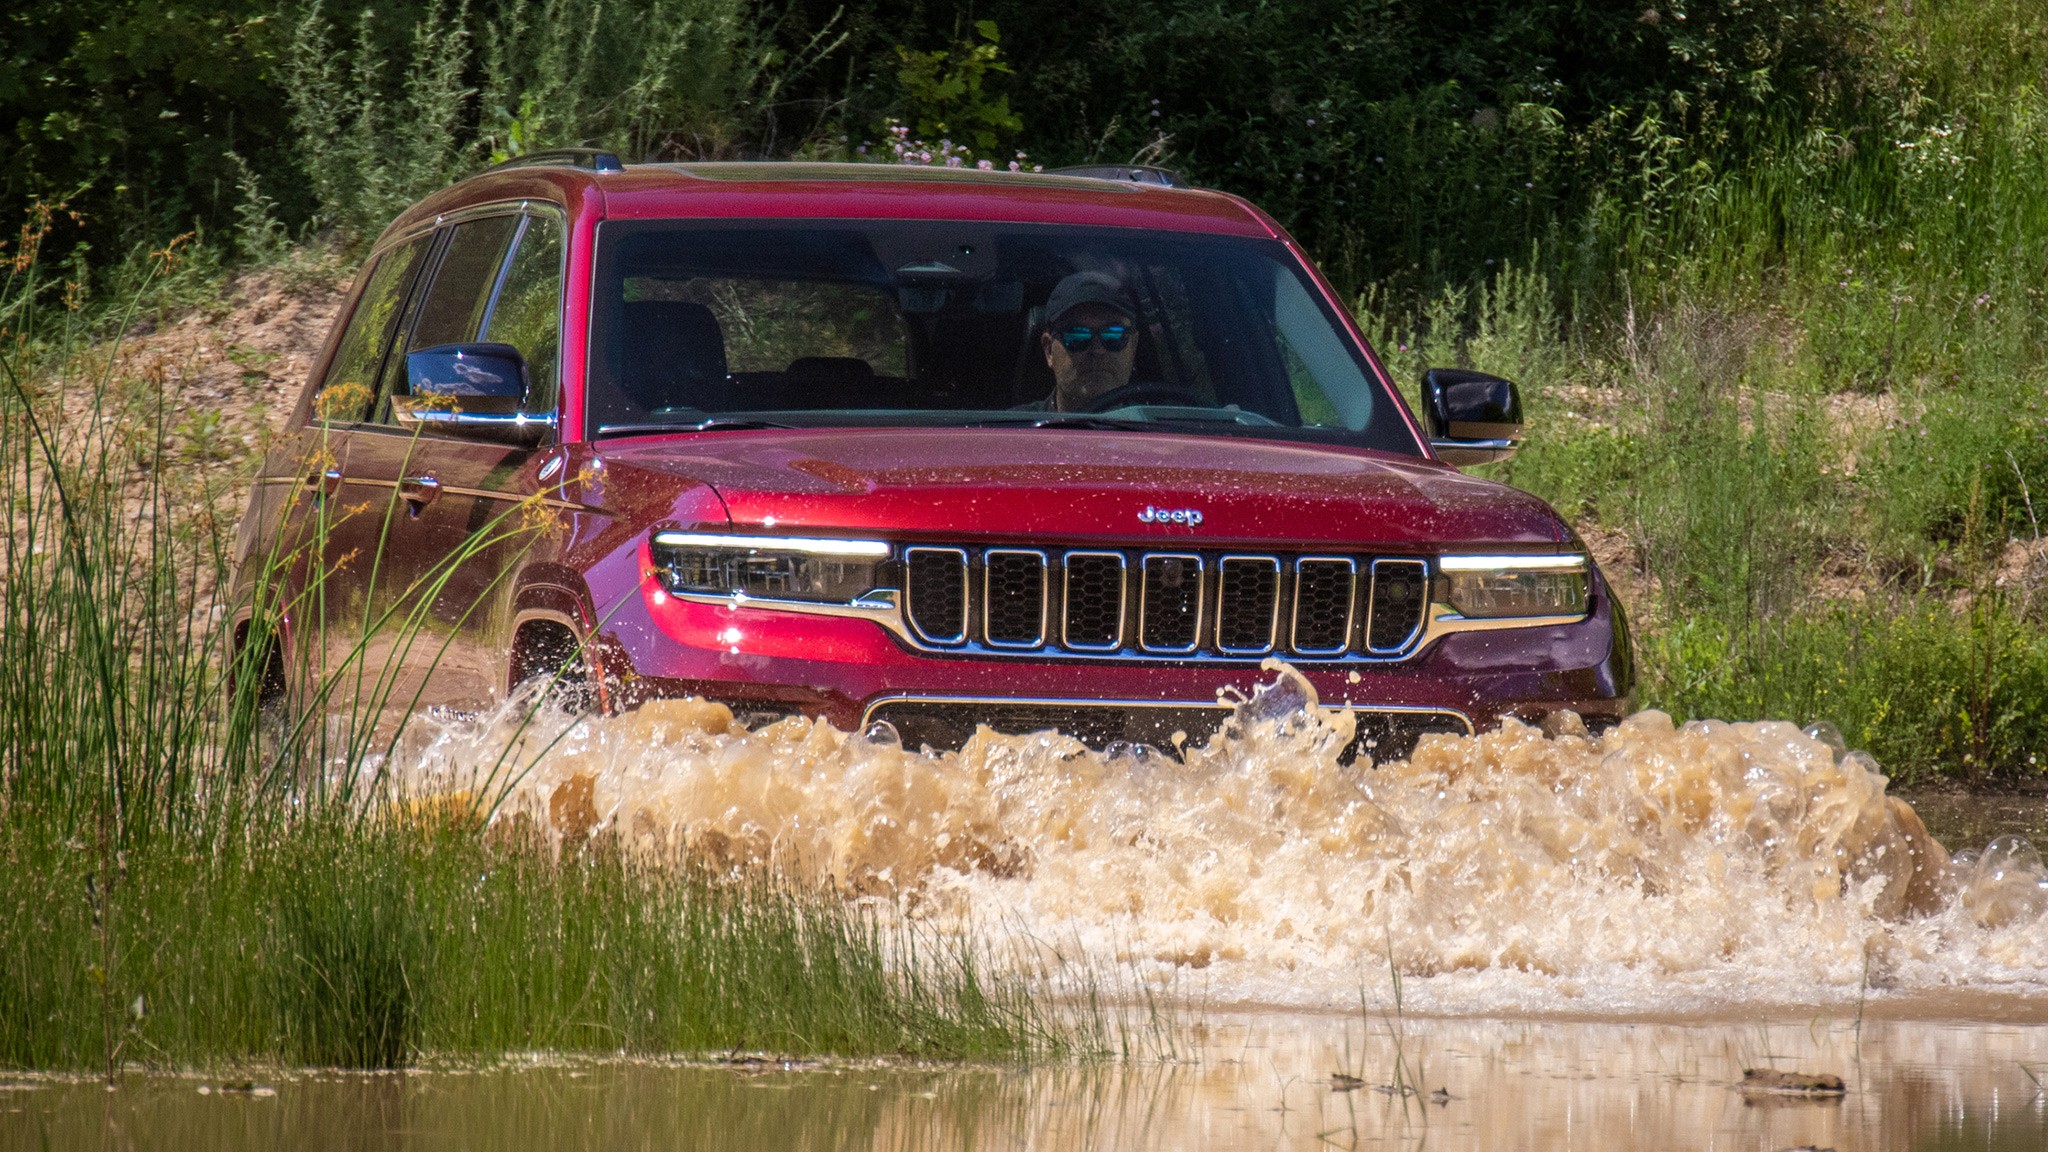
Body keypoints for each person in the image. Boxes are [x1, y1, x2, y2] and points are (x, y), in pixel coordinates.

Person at [1034, 270, 1139, 412]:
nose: (1097, 350)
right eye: (1077, 336)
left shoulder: (1166, 428)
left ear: (1133, 346)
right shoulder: (1013, 431)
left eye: (1113, 335)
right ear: (1049, 350)